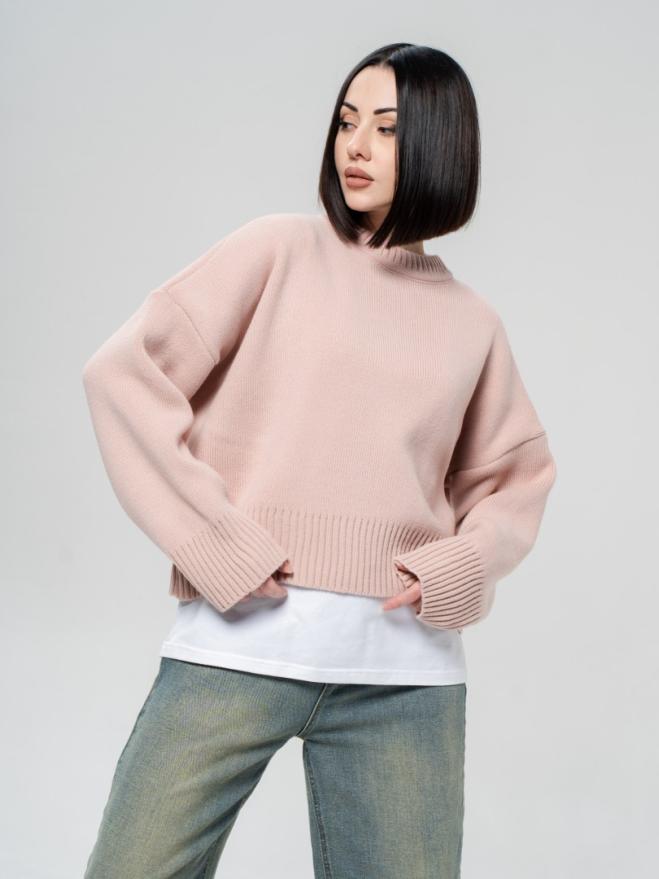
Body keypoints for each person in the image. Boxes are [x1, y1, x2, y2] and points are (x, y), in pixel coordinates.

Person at [81, 42, 556, 879]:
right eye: (345, 122)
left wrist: (458, 565)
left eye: (386, 128)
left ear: (441, 144)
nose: (355, 146)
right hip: (239, 648)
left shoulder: (471, 322)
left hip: (402, 676)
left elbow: (513, 479)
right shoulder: (276, 252)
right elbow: (123, 375)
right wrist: (213, 540)